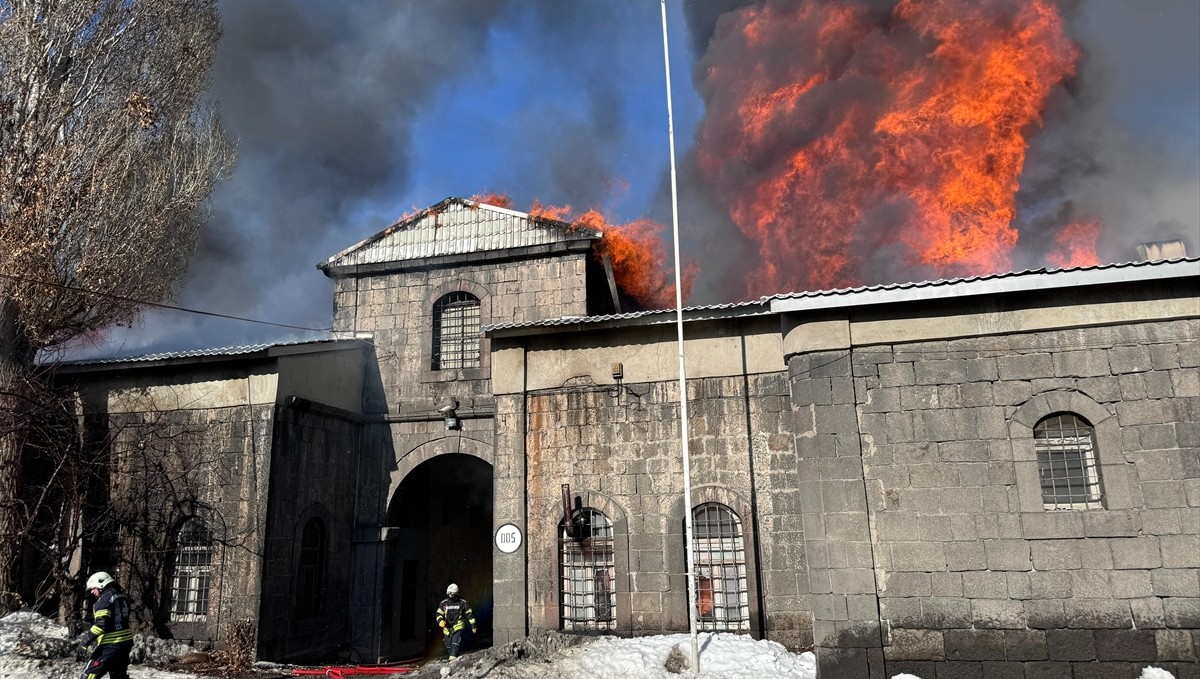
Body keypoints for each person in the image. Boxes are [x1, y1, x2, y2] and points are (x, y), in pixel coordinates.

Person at [76, 571, 133, 679]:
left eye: (93, 588)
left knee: (89, 675)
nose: (92, 592)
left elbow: (100, 624)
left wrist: (85, 642)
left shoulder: (105, 599)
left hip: (111, 644)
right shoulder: (121, 595)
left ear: (101, 584)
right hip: (126, 643)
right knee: (118, 676)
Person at [435, 583, 476, 661]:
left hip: (458, 625)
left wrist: (473, 626)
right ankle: (455, 657)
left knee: (455, 643)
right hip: (447, 628)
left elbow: (469, 614)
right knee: (449, 646)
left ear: (456, 593)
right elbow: (438, 613)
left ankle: (452, 659)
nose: (450, 596)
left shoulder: (463, 603)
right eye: (449, 594)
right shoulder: (443, 603)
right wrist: (440, 621)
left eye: (452, 594)